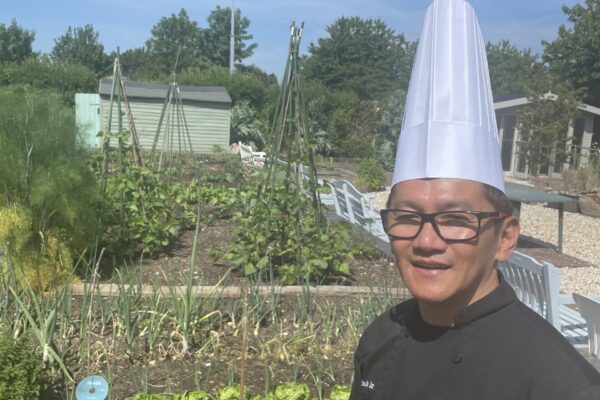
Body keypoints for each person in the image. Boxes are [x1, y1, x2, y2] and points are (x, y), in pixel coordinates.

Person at [349, 0, 600, 399]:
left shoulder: (561, 384)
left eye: (456, 219)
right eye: (407, 216)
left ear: (505, 237)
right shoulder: (380, 337)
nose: (426, 242)